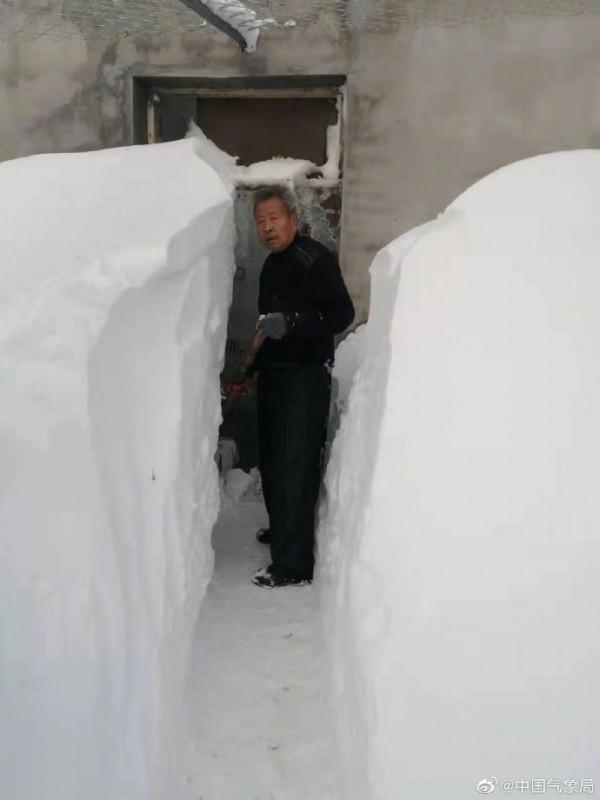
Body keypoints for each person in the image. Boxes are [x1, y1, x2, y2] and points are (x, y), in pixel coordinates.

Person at [247, 185, 355, 588]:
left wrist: (292, 321)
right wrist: (250, 371)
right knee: (274, 461)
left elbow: (342, 313)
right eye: (260, 221)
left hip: (305, 376)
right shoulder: (272, 265)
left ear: (293, 219)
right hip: (276, 376)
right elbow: (264, 330)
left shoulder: (314, 259)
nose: (267, 228)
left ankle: (293, 566)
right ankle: (283, 531)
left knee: (295, 464)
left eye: (274, 219)